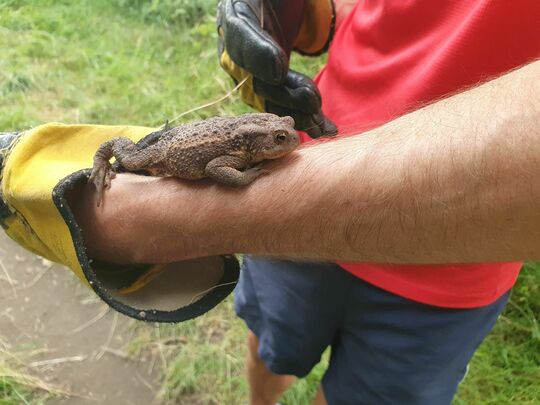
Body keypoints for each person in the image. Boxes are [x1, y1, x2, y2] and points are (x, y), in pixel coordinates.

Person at [1, 0, 539, 404]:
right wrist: (309, 14)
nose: (282, 145)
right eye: (276, 141)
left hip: (458, 263)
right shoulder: (250, 146)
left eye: (281, 142)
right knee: (268, 339)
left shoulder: (253, 158)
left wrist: (167, 216)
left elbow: (221, 169)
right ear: (261, 141)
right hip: (314, 134)